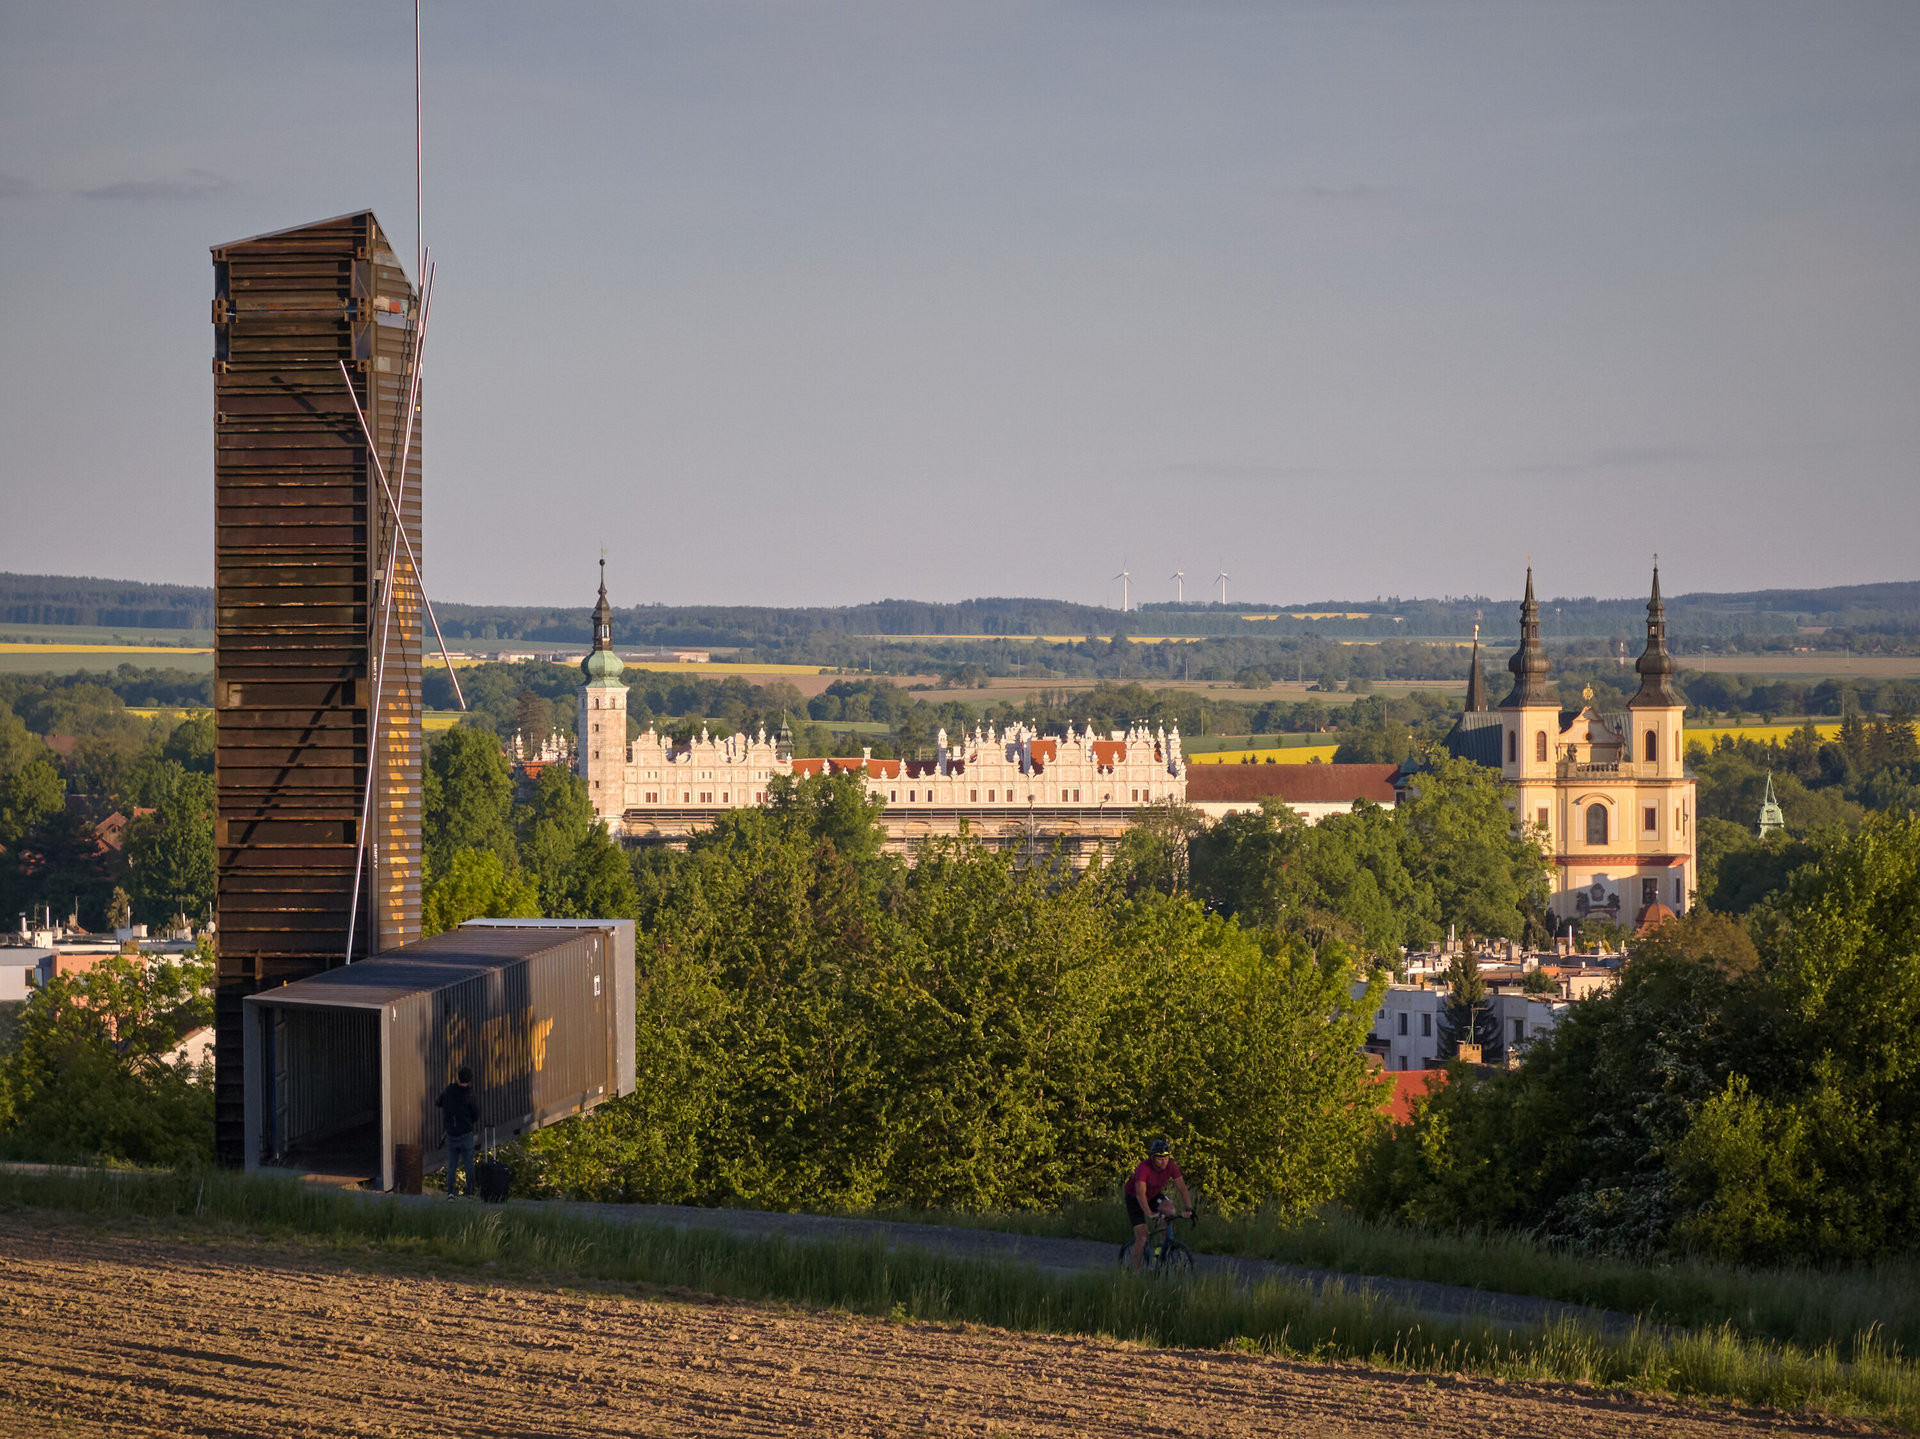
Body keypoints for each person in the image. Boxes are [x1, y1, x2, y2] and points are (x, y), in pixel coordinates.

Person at [1125, 1136, 1193, 1270]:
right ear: (1152, 1158)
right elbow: (1140, 1194)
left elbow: (1183, 1189)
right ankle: (1134, 1273)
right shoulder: (1143, 1168)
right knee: (1142, 1237)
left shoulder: (1171, 1166)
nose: (1164, 1162)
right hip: (1135, 1198)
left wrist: (1189, 1208)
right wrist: (1150, 1214)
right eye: (1160, 1159)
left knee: (1170, 1211)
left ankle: (1160, 1251)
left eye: (1166, 1158)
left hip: (1154, 1195)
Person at [436, 1066, 479, 1199]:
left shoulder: (448, 1091)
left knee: (452, 1164)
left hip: (451, 1134)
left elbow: (438, 1102)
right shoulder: (469, 1095)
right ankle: (470, 1192)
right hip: (466, 1133)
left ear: (458, 1077)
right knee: (468, 1164)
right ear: (470, 1080)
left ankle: (450, 1193)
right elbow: (476, 1114)